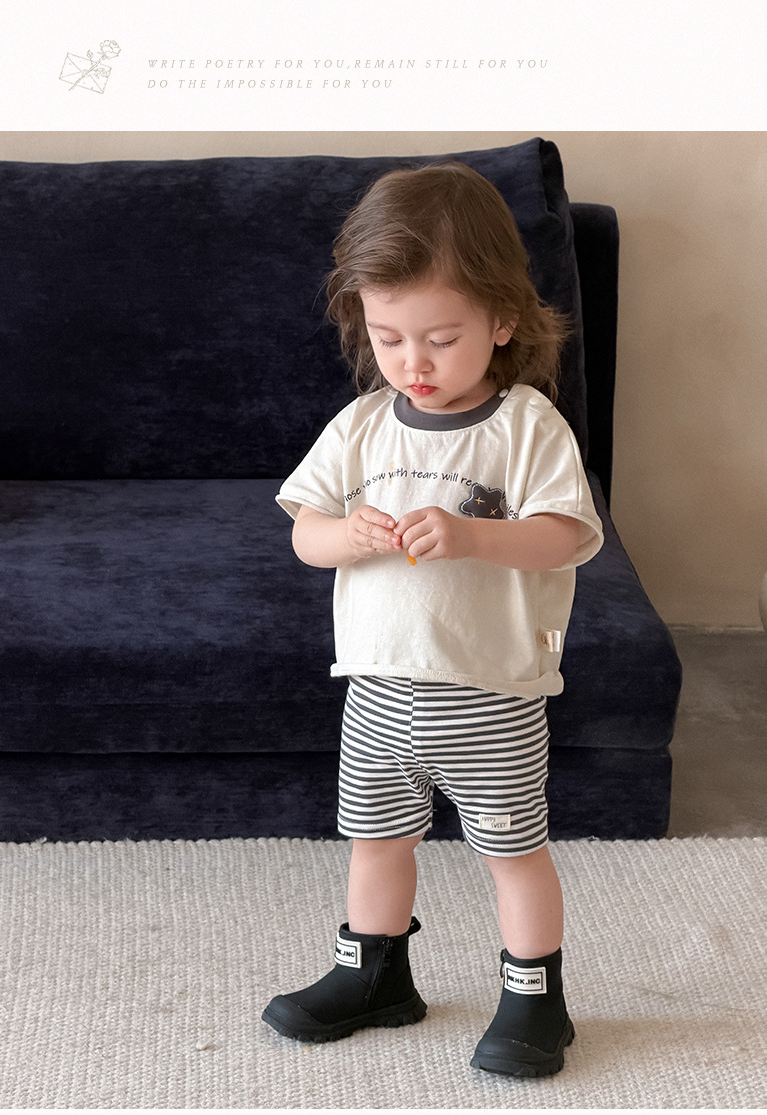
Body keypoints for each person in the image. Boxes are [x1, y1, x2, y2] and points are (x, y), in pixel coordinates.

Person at [263, 161, 603, 1078]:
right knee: (375, 840)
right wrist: (344, 533)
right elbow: (304, 534)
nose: (413, 363)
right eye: (388, 337)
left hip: (488, 694)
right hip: (377, 693)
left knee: (515, 852)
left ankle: (535, 997)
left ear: (502, 322)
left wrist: (470, 534)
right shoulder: (364, 424)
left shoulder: (526, 425)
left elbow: (567, 537)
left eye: (442, 339)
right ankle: (373, 973)